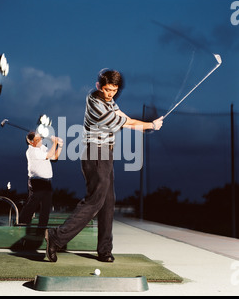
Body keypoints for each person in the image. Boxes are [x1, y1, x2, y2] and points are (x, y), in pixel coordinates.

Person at [45, 69, 163, 263]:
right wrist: (150, 126)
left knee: (108, 202)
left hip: (105, 154)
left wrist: (148, 125)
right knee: (95, 201)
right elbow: (128, 123)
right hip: (95, 152)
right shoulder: (97, 105)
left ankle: (104, 250)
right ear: (99, 85)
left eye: (114, 90)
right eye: (108, 89)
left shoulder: (109, 101)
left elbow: (124, 116)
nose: (111, 93)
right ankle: (56, 237)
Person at [19, 132, 63, 228]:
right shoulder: (32, 151)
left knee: (46, 208)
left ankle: (42, 229)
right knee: (32, 205)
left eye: (40, 138)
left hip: (47, 182)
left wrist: (60, 146)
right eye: (37, 140)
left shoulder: (42, 148)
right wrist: (55, 142)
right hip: (37, 181)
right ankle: (21, 225)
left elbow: (54, 157)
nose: (41, 141)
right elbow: (49, 155)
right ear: (31, 142)